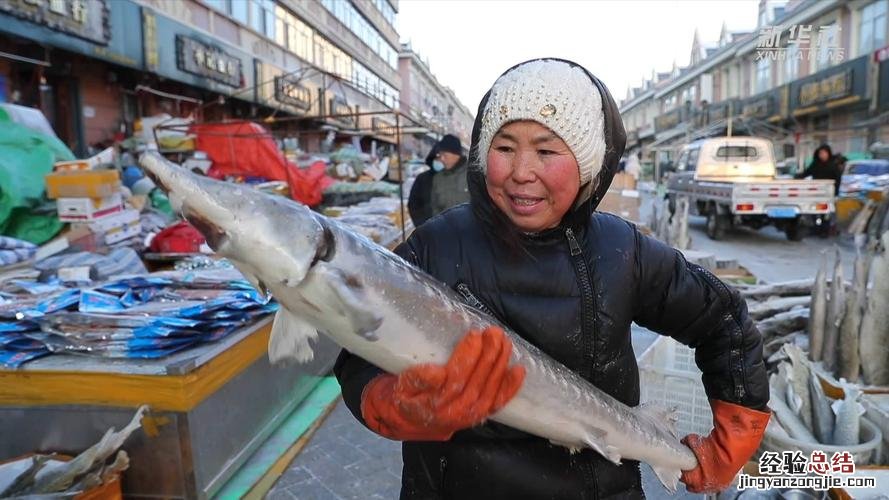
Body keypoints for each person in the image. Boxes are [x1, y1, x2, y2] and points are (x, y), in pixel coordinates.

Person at [335, 58, 769, 499]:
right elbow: (358, 351)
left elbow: (723, 321)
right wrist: (391, 401)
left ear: (587, 164)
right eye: (504, 148)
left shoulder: (623, 251)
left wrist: (736, 429)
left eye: (546, 151)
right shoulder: (434, 247)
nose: (522, 171)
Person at [407, 134, 470, 226]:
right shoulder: (436, 178)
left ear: (455, 154)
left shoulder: (472, 174)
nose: (441, 159)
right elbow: (433, 207)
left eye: (445, 155)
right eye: (439, 156)